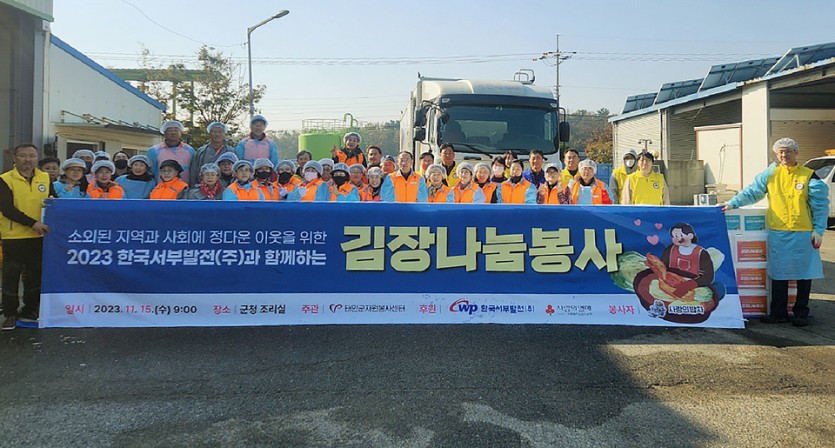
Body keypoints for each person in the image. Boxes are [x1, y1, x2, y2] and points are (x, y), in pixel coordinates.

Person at [723, 138, 830, 327]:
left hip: (804, 233)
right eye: (780, 152)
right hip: (779, 232)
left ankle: (801, 313)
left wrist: (818, 230)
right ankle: (778, 312)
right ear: (776, 154)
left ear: (796, 152)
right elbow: (753, 191)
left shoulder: (808, 176)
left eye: (788, 151)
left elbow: (820, 206)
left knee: (804, 275)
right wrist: (733, 203)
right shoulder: (771, 173)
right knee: (779, 274)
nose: (784, 155)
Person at [0, 143, 55, 330]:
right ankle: (10, 314)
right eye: (23, 156)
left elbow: (52, 199)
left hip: (39, 237)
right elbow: (7, 209)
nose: (28, 160)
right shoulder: (5, 180)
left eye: (32, 155)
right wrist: (33, 223)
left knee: (34, 276)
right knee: (11, 277)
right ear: (14, 158)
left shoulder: (45, 177)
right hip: (13, 236)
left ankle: (30, 310)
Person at [147, 120, 196, 184]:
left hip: (184, 190)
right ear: (164, 133)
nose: (173, 132)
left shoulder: (190, 150)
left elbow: (194, 171)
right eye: (170, 130)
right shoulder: (154, 151)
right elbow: (150, 173)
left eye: (176, 130)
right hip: (162, 190)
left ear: (180, 133)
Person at [191, 121, 235, 186]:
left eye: (220, 132)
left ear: (224, 134)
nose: (217, 134)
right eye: (214, 132)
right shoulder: (201, 151)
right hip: (203, 188)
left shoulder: (231, 151)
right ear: (209, 133)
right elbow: (193, 171)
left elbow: (236, 171)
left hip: (225, 188)